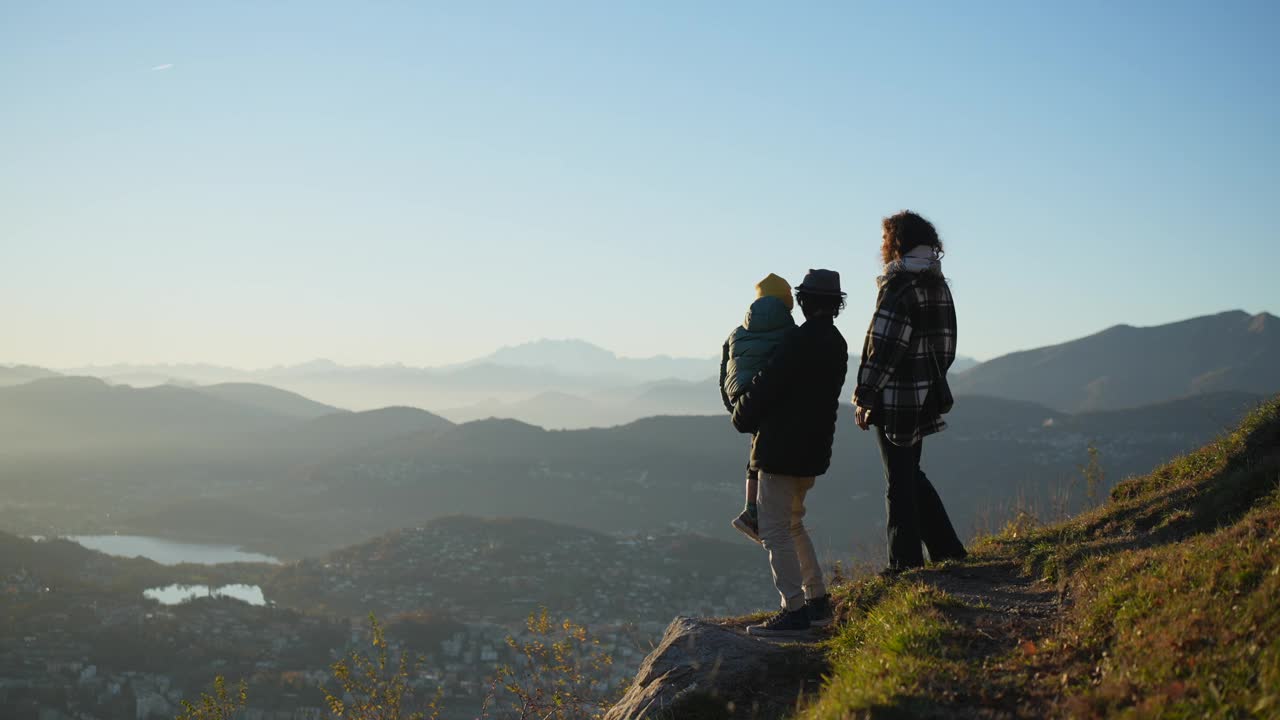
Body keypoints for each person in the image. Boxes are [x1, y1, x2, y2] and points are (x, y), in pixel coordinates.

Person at [731, 269, 848, 636]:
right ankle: (817, 603)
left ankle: (794, 610)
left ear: (804, 301)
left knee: (774, 530)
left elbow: (769, 384)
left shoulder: (797, 342)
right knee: (794, 523)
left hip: (781, 449)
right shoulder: (837, 342)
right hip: (813, 450)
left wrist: (742, 413)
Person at [852, 210, 967, 574]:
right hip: (925, 394)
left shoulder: (899, 285)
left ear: (894, 244)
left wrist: (865, 394)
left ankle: (904, 563)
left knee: (898, 481)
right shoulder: (938, 284)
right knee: (909, 473)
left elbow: (884, 346)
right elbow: (946, 346)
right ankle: (948, 550)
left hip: (895, 397)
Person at [719, 273, 797, 544]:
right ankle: (755, 513)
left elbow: (725, 371)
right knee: (767, 455)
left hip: (743, 400)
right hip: (775, 405)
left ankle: (751, 508)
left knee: (756, 449)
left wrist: (736, 408)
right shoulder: (790, 332)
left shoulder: (737, 332)